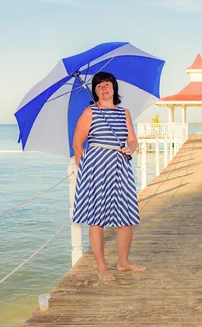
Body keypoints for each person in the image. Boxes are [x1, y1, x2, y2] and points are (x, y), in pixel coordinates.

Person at [71, 71, 145, 281]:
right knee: (97, 219)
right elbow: (77, 144)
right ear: (95, 91)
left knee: (127, 216)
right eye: (99, 86)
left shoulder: (124, 113)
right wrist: (84, 171)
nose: (104, 88)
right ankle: (102, 267)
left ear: (114, 87)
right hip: (95, 168)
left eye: (107, 84)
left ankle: (123, 262)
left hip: (120, 167)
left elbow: (132, 140)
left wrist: (131, 148)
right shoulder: (89, 113)